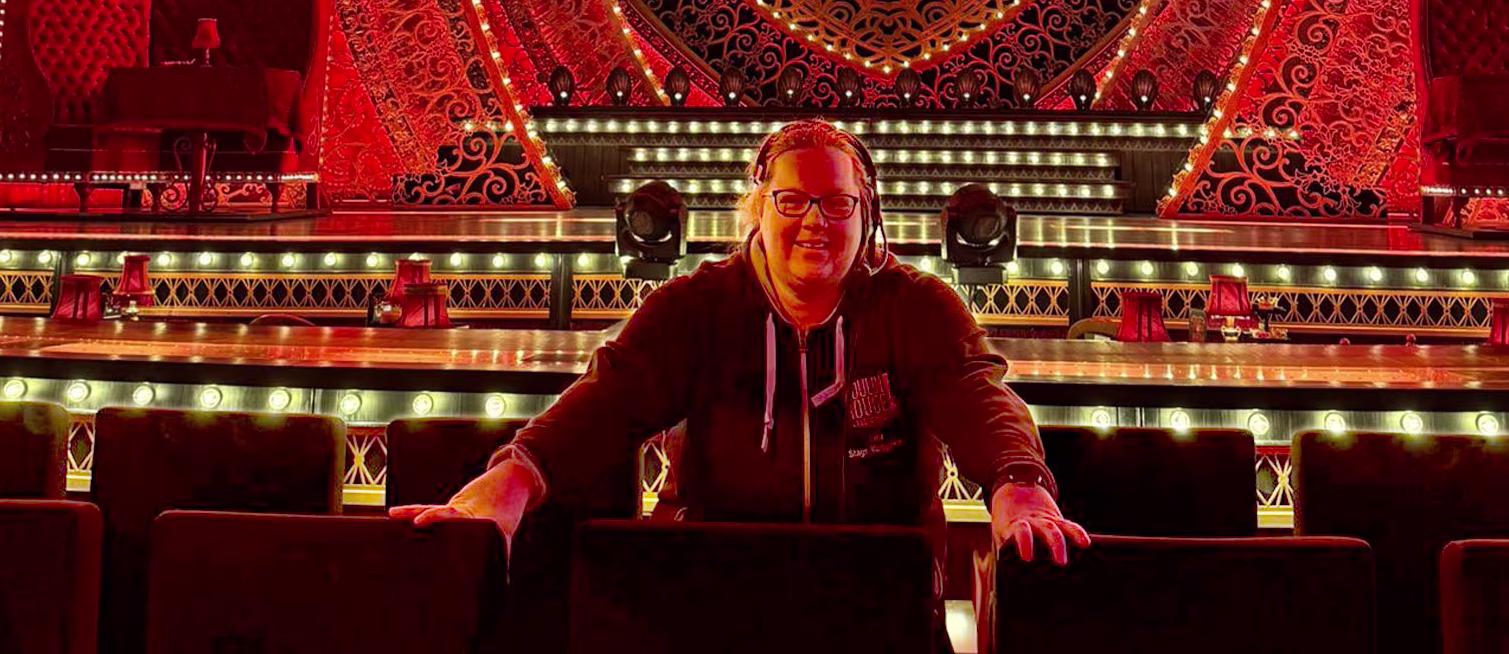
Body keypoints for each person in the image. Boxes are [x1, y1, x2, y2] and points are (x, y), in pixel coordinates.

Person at [393, 118, 1089, 646]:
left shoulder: (915, 305)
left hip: (881, 610)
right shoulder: (697, 307)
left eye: (837, 204)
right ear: (757, 208)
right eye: (792, 201)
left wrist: (1017, 483)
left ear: (865, 214)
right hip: (715, 604)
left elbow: (976, 394)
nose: (815, 222)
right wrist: (516, 476)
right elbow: (610, 397)